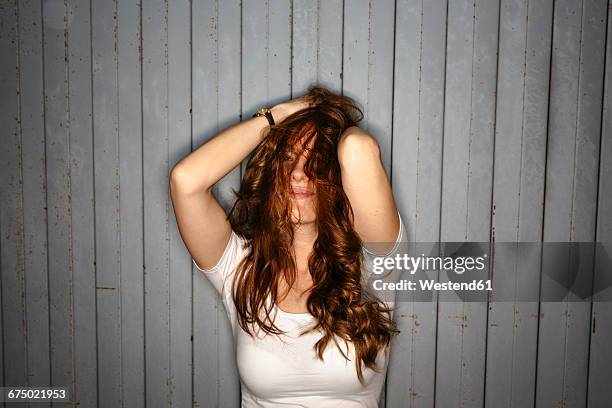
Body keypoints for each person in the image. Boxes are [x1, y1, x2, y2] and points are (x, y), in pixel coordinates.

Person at [170, 85, 405, 407]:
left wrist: (326, 115)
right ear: (272, 175)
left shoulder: (375, 266)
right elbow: (186, 181)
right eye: (288, 160)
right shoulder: (238, 268)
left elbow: (358, 148)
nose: (298, 175)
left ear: (340, 179)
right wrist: (276, 116)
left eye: (317, 164)